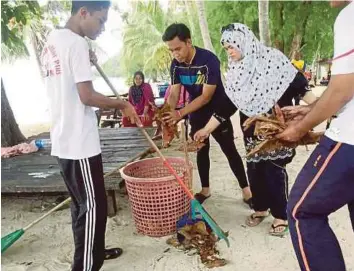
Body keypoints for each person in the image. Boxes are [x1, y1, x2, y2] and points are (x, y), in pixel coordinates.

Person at [40, 1, 141, 270]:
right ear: (83, 12)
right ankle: (86, 264)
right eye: (100, 20)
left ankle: (93, 251)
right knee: (94, 208)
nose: (103, 27)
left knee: (81, 206)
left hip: (63, 138)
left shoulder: (54, 38)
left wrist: (89, 63)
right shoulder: (76, 44)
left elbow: (67, 83)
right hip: (78, 143)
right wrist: (122, 104)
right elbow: (86, 97)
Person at [194, 23, 316, 236]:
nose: (230, 52)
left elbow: (300, 86)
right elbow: (226, 106)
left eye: (232, 46)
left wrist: (322, 108)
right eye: (226, 48)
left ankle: (280, 215)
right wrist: (206, 129)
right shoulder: (236, 74)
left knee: (274, 170)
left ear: (245, 42)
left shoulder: (274, 60)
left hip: (277, 130)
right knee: (255, 170)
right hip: (251, 134)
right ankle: (260, 208)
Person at [278, 1, 354, 270]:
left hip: (350, 140)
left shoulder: (350, 15)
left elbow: (342, 90)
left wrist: (299, 128)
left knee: (302, 212)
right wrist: (310, 109)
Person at [162, 23, 252, 206]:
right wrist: (169, 115)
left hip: (218, 110)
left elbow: (205, 97)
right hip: (195, 113)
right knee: (201, 150)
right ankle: (205, 190)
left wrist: (179, 113)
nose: (175, 54)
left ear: (188, 42)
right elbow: (174, 93)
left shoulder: (208, 60)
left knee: (229, 150)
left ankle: (247, 191)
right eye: (171, 50)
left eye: (178, 48)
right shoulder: (175, 65)